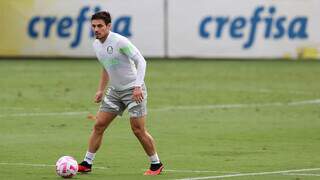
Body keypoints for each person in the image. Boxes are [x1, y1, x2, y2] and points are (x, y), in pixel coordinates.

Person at [77, 11, 164, 176]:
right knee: (99, 125)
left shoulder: (120, 41)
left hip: (133, 90)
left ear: (108, 26)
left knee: (138, 129)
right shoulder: (96, 45)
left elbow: (141, 61)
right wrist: (101, 89)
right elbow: (106, 67)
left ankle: (156, 164)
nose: (96, 29)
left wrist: (138, 86)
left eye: (100, 26)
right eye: (94, 26)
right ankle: (87, 163)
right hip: (115, 92)